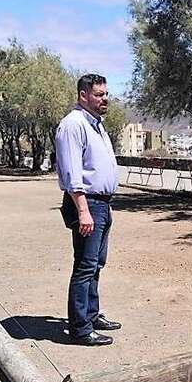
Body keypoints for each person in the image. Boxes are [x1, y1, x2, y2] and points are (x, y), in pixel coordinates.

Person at [55, 74, 122, 346]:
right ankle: (80, 329)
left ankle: (91, 314)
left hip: (102, 203)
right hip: (88, 203)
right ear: (83, 95)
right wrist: (83, 210)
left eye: (105, 94)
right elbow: (72, 173)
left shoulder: (96, 125)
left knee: (96, 264)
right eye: (98, 94)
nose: (104, 99)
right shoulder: (73, 125)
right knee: (84, 266)